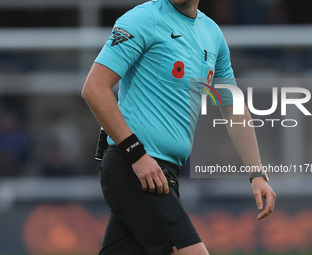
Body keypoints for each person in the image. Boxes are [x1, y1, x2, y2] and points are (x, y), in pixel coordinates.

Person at [81, 0, 276, 254]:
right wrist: (137, 154)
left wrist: (257, 174)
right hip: (135, 168)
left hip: (164, 174)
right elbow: (94, 89)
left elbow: (232, 107)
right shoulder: (144, 19)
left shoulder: (212, 33)